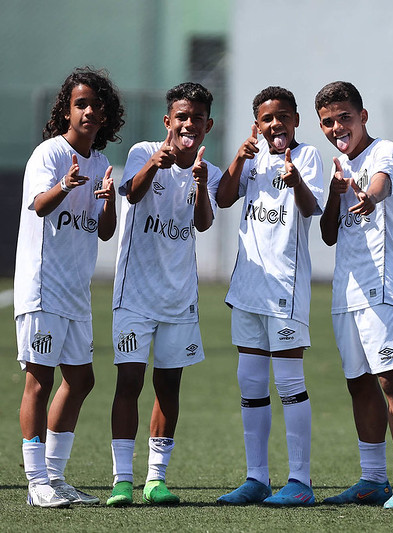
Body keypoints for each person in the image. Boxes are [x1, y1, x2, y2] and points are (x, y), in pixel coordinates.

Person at [106, 82, 221, 506]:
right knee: (129, 381)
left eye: (197, 118)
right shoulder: (144, 152)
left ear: (208, 125)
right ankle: (122, 479)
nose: (189, 124)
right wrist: (156, 164)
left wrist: (201, 183)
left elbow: (204, 223)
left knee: (168, 385)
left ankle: (155, 479)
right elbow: (132, 194)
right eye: (182, 116)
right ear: (168, 120)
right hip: (135, 294)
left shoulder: (207, 169)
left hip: (179, 297)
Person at [15, 67, 123, 508]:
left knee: (81, 379)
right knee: (39, 381)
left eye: (97, 105)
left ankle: (56, 478)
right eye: (81, 104)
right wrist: (64, 185)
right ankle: (36, 481)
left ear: (106, 115)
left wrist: (109, 201)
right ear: (66, 110)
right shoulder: (50, 154)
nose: (89, 111)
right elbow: (40, 205)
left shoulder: (100, 163)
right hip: (43, 287)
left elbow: (105, 231)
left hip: (76, 293)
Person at [316, 81, 393, 510]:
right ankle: (373, 479)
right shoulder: (338, 166)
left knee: (391, 379)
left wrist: (369, 198)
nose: (337, 127)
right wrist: (335, 194)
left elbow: (381, 185)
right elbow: (328, 234)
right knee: (358, 383)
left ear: (362, 116)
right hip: (346, 288)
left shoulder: (385, 151)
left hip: (381, 283)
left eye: (345, 117)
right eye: (328, 122)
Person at [215, 86, 323, 506]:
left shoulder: (308, 157)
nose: (275, 124)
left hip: (285, 288)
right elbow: (224, 199)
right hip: (247, 288)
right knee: (250, 381)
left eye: (282, 116)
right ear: (256, 125)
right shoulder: (252, 158)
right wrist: (239, 158)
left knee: (289, 382)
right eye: (266, 119)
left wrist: (295, 181)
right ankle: (256, 477)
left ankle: (300, 481)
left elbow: (311, 208)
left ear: (296, 120)